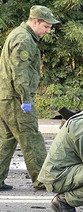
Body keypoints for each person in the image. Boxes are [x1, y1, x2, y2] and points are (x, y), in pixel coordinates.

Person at [0, 5, 60, 191]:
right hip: (17, 99)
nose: (48, 31)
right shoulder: (24, 39)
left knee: (6, 139)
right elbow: (20, 72)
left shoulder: (18, 34)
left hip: (6, 97)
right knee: (31, 138)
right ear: (36, 21)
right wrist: (25, 98)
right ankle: (43, 180)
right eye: (46, 26)